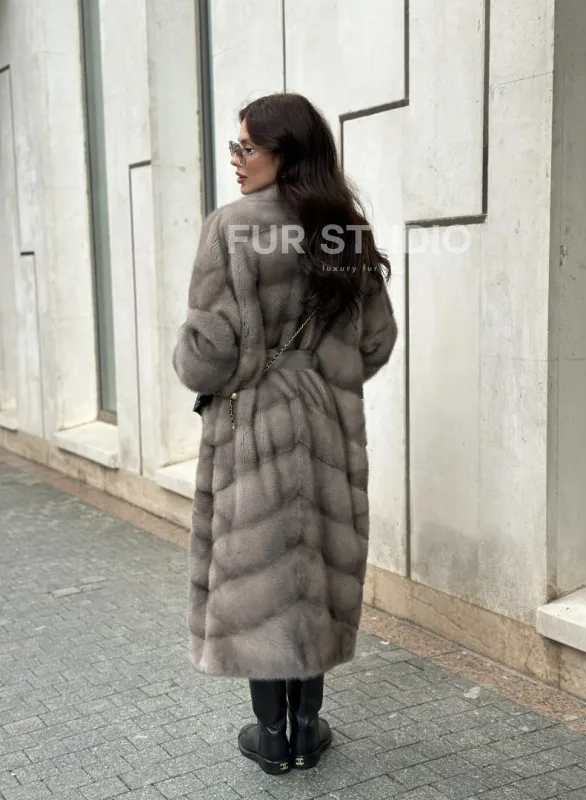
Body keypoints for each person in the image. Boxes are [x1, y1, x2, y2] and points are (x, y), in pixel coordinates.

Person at [172, 92, 398, 776]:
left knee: (261, 578)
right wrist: (322, 377)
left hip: (253, 425)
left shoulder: (231, 228)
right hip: (326, 424)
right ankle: (307, 727)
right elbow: (377, 341)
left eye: (247, 148)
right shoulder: (343, 230)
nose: (236, 161)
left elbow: (206, 355)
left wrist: (200, 360)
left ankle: (273, 738)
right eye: (235, 148)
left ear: (286, 153)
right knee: (312, 572)